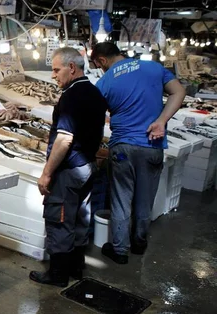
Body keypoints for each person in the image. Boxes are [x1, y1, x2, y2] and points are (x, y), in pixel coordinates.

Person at [91, 42, 186, 265]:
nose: (99, 69)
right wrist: (161, 121)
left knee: (121, 199)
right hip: (152, 145)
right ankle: (139, 243)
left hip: (122, 147)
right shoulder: (153, 67)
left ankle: (120, 250)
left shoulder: (104, 82)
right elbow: (179, 91)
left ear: (102, 60)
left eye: (97, 65)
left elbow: (94, 118)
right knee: (145, 197)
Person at [29, 47, 108, 287]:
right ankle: (76, 267)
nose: (53, 76)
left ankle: (58, 274)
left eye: (56, 70)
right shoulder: (95, 93)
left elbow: (64, 139)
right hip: (87, 165)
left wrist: (46, 173)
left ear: (71, 67)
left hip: (70, 169)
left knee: (60, 218)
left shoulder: (71, 97)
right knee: (79, 217)